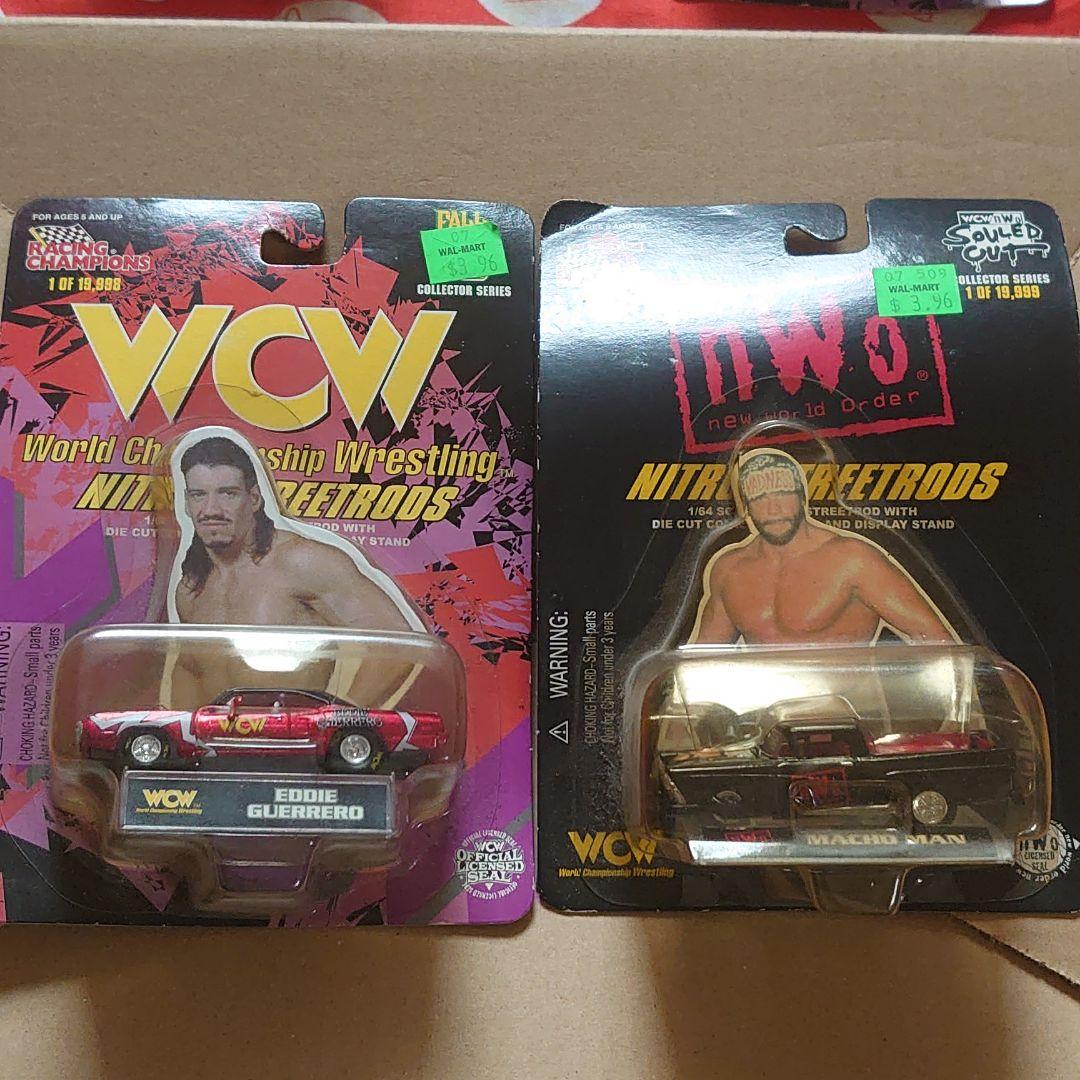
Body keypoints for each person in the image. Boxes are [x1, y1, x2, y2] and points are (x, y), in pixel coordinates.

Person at [169, 433, 420, 707]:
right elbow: (190, 670)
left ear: (254, 499)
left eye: (227, 493)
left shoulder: (302, 562)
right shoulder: (191, 589)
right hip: (222, 734)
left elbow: (398, 645)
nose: (210, 509)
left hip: (297, 733)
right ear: (186, 503)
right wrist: (184, 728)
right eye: (198, 495)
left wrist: (337, 719)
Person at [689, 448, 957, 646]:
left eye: (783, 494)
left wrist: (954, 705)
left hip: (852, 705)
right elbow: (703, 661)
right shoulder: (729, 569)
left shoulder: (852, 558)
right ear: (745, 506)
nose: (773, 508)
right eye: (759, 497)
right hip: (765, 706)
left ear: (802, 497)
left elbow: (935, 638)